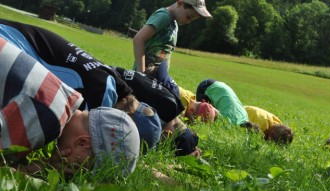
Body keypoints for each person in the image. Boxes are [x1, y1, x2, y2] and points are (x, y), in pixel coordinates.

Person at [0, 18, 162, 152]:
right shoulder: (102, 97)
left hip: (12, 38)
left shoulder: (111, 81)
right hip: (10, 41)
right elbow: (55, 131)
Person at [0, 37, 140, 174]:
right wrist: (31, 171)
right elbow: (4, 170)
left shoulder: (62, 98)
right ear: (83, 143)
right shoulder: (48, 117)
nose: (66, 174)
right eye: (77, 171)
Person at [133, 0, 212, 73]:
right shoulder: (163, 16)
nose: (188, 22)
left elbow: (164, 50)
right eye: (188, 16)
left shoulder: (174, 24)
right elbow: (139, 39)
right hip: (144, 76)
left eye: (191, 20)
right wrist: (141, 73)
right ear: (180, 3)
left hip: (155, 77)